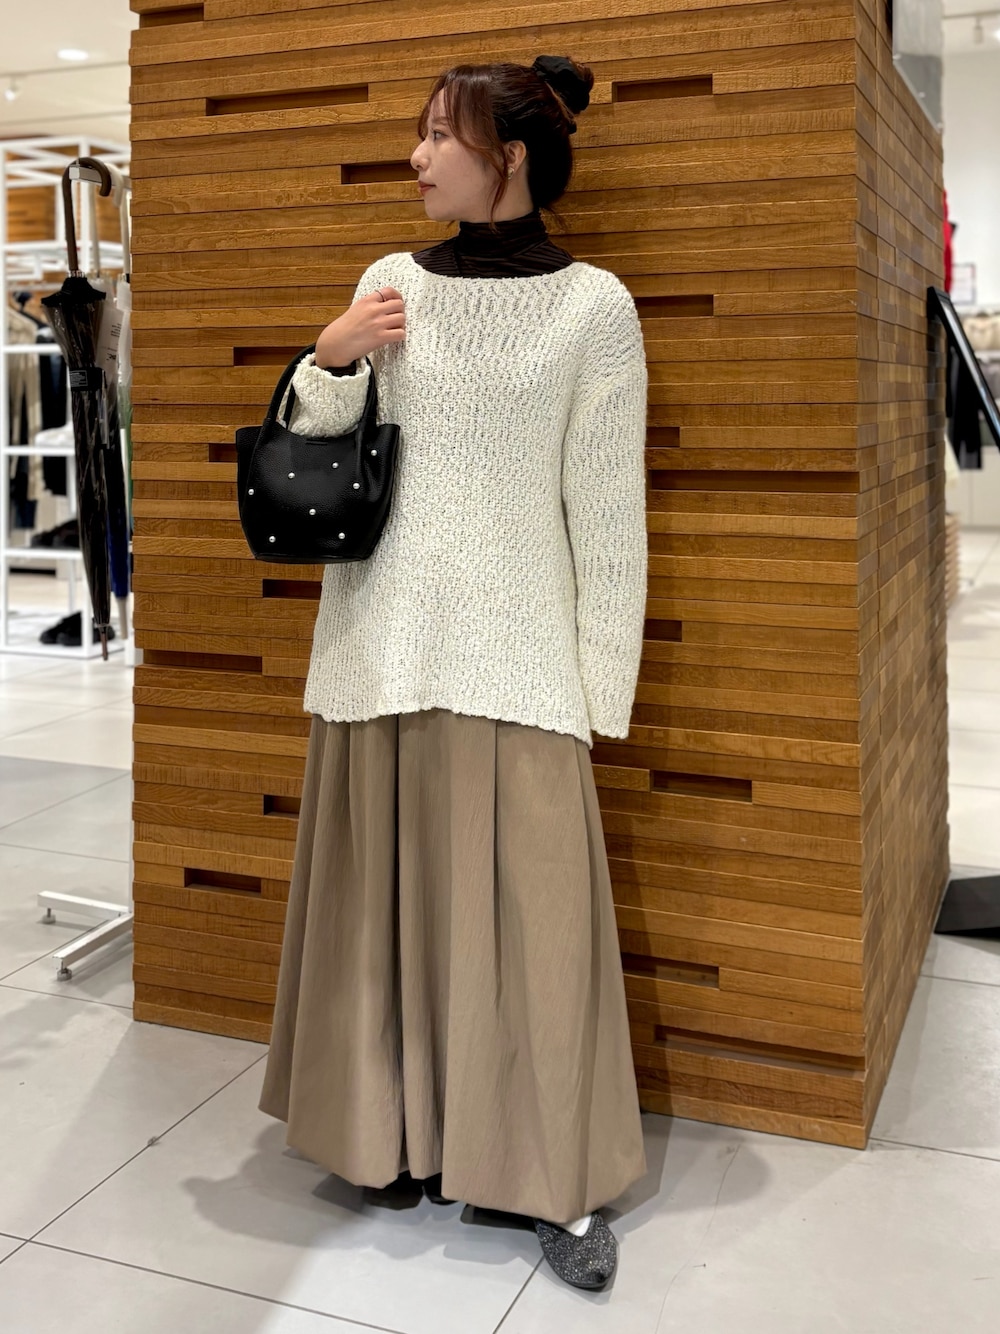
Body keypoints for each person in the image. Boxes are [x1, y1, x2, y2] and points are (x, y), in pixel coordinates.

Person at [258, 53, 650, 1292]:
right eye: (420, 133)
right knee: (381, 916)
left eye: (441, 135)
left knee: (534, 931)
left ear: (510, 156)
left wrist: (597, 689)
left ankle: (550, 1175)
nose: (418, 156)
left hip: (521, 658)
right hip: (380, 643)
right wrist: (329, 356)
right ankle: (386, 1137)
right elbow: (316, 459)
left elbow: (608, 513)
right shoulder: (389, 282)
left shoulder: (594, 307)